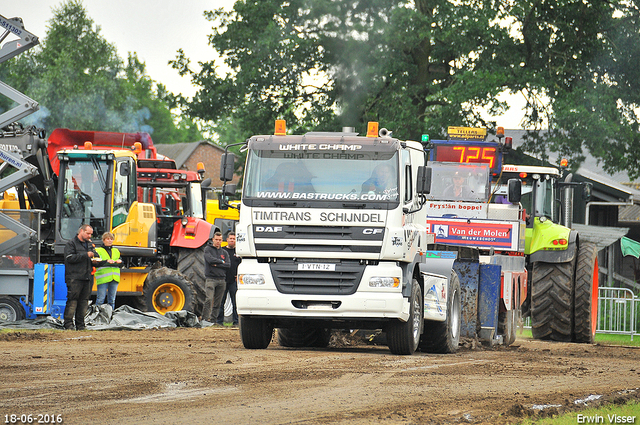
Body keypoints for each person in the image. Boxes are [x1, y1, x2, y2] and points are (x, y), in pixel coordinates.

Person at [63, 224, 96, 330]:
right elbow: (69, 258)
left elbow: (94, 255)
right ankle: (68, 324)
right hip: (74, 277)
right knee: (72, 301)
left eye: (91, 234)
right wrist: (86, 255)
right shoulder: (71, 244)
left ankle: (80, 325)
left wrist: (96, 260)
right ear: (81, 231)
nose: (89, 236)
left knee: (83, 302)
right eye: (88, 233)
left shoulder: (89, 244)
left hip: (87, 277)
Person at [203, 231, 230, 323]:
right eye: (216, 240)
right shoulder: (208, 249)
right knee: (209, 299)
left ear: (222, 240)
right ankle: (205, 319)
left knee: (218, 302)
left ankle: (214, 320)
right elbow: (210, 260)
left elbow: (228, 265)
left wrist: (217, 263)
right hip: (211, 279)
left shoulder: (224, 253)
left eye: (220, 240)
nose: (218, 241)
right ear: (213, 240)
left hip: (222, 280)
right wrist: (222, 262)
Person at [94, 232, 123, 310]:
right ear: (103, 240)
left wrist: (120, 262)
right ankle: (97, 316)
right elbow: (96, 262)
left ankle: (110, 317)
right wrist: (107, 261)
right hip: (103, 278)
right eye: (107, 239)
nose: (110, 241)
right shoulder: (98, 250)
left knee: (112, 300)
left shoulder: (116, 250)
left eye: (111, 239)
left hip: (114, 278)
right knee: (100, 299)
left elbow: (121, 263)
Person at [217, 231, 241, 326]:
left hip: (234, 281)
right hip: (223, 280)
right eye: (230, 238)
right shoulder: (221, 251)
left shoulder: (238, 252)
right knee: (220, 302)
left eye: (234, 239)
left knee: (235, 302)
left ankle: (236, 322)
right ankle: (219, 322)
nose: (232, 240)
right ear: (226, 240)